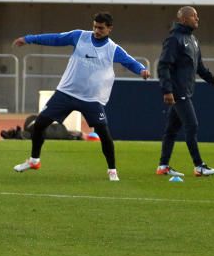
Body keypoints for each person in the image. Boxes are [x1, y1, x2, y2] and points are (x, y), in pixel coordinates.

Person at [12, 12, 149, 181]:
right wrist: (29, 38)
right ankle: (34, 160)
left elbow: (130, 61)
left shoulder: (112, 49)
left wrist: (141, 70)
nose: (96, 30)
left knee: (104, 134)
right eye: (95, 26)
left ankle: (112, 170)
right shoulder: (80, 36)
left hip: (91, 99)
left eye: (101, 28)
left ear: (109, 29)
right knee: (39, 124)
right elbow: (55, 38)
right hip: (66, 93)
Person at [156, 6, 214, 177]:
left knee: (171, 130)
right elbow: (163, 65)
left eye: (197, 16)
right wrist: (167, 90)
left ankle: (163, 166)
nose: (197, 19)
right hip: (178, 91)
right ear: (183, 19)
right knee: (192, 125)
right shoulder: (174, 39)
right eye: (194, 16)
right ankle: (199, 166)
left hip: (186, 91)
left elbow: (200, 68)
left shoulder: (193, 40)